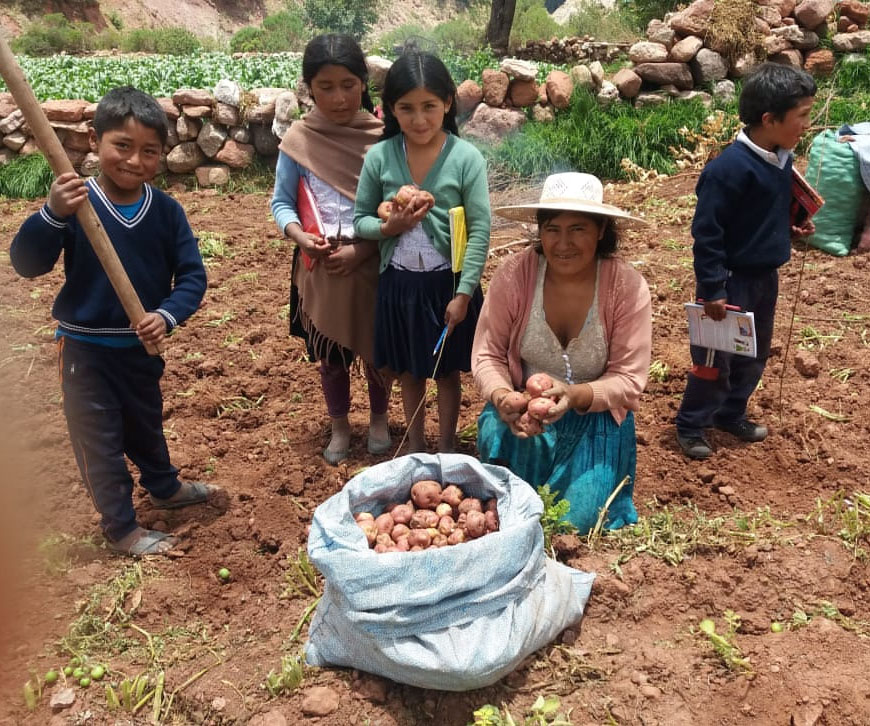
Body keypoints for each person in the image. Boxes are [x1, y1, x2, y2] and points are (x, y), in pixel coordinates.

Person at [9, 86, 211, 556]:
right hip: (84, 352)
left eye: (149, 151)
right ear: (95, 140)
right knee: (98, 441)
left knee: (146, 425)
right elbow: (26, 263)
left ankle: (164, 487)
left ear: (162, 155)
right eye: (122, 146)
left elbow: (192, 278)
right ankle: (121, 528)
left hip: (139, 350)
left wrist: (166, 315)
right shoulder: (76, 203)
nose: (134, 161)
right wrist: (52, 214)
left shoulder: (165, 212)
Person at [472, 172, 651, 534]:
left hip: (594, 419)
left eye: (578, 229)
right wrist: (504, 397)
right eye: (552, 229)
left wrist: (573, 395)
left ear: (601, 230)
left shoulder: (626, 287)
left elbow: (629, 380)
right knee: (504, 510)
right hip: (523, 415)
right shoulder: (515, 275)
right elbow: (487, 355)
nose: (563, 243)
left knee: (572, 522)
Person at [675, 63, 817, 460]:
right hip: (727, 284)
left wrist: (789, 229)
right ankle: (691, 424)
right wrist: (714, 288)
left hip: (762, 279)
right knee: (713, 361)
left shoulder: (781, 158)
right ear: (769, 119)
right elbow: (708, 234)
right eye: (802, 116)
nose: (806, 124)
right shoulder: (726, 171)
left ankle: (730, 413)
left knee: (752, 355)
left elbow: (760, 217)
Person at [354, 51, 491, 453]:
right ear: (390, 110)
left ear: (447, 103)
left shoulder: (466, 159)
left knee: (446, 371)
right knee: (410, 371)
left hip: (446, 284)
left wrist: (464, 294)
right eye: (406, 108)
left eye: (429, 106)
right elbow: (360, 219)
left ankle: (446, 446)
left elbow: (480, 229)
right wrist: (388, 227)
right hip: (399, 283)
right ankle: (415, 446)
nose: (419, 119)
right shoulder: (380, 157)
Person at [271, 34, 390, 465]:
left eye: (348, 84)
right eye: (325, 87)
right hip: (319, 263)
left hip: (374, 258)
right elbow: (281, 201)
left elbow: (395, 207)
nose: (338, 98)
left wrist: (363, 251)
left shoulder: (383, 137)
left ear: (363, 83)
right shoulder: (299, 139)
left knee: (380, 349)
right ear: (308, 88)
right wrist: (300, 237)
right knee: (331, 355)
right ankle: (340, 427)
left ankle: (379, 420)